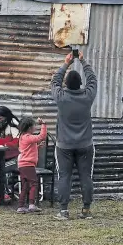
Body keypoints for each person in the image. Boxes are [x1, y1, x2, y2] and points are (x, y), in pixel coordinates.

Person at [51, 50, 97, 220]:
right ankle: (86, 210)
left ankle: (63, 211)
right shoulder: (87, 96)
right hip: (85, 145)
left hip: (64, 146)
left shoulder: (61, 97)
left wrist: (66, 63)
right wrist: (83, 62)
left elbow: (55, 81)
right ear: (80, 85)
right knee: (86, 176)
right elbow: (92, 80)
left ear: (66, 85)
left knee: (64, 176)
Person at [16, 117, 47, 214]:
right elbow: (41, 137)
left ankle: (20, 206)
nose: (35, 127)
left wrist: (37, 147)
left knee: (25, 185)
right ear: (29, 128)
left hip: (22, 165)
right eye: (34, 125)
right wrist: (44, 125)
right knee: (34, 184)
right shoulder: (28, 137)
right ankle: (31, 205)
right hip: (28, 165)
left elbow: (27, 150)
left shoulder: (22, 137)